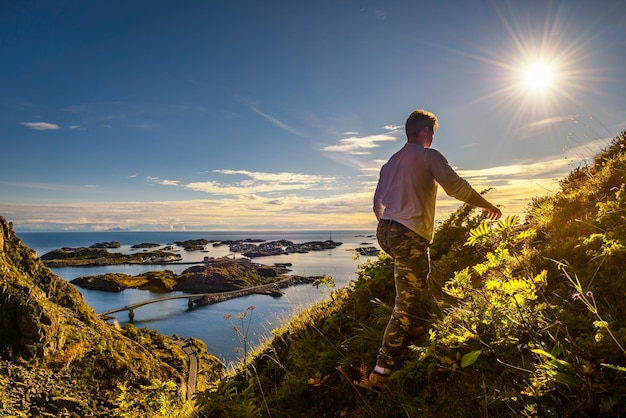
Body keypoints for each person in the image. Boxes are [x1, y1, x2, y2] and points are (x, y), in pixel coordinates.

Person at [369, 109, 502, 391]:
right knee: (404, 301)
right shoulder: (429, 156)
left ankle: (415, 327)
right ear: (426, 131)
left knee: (418, 276)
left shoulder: (390, 163)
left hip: (386, 232)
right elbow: (456, 187)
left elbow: (377, 204)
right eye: (433, 132)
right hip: (408, 234)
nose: (432, 137)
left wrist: (390, 224)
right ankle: (382, 369)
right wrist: (487, 204)